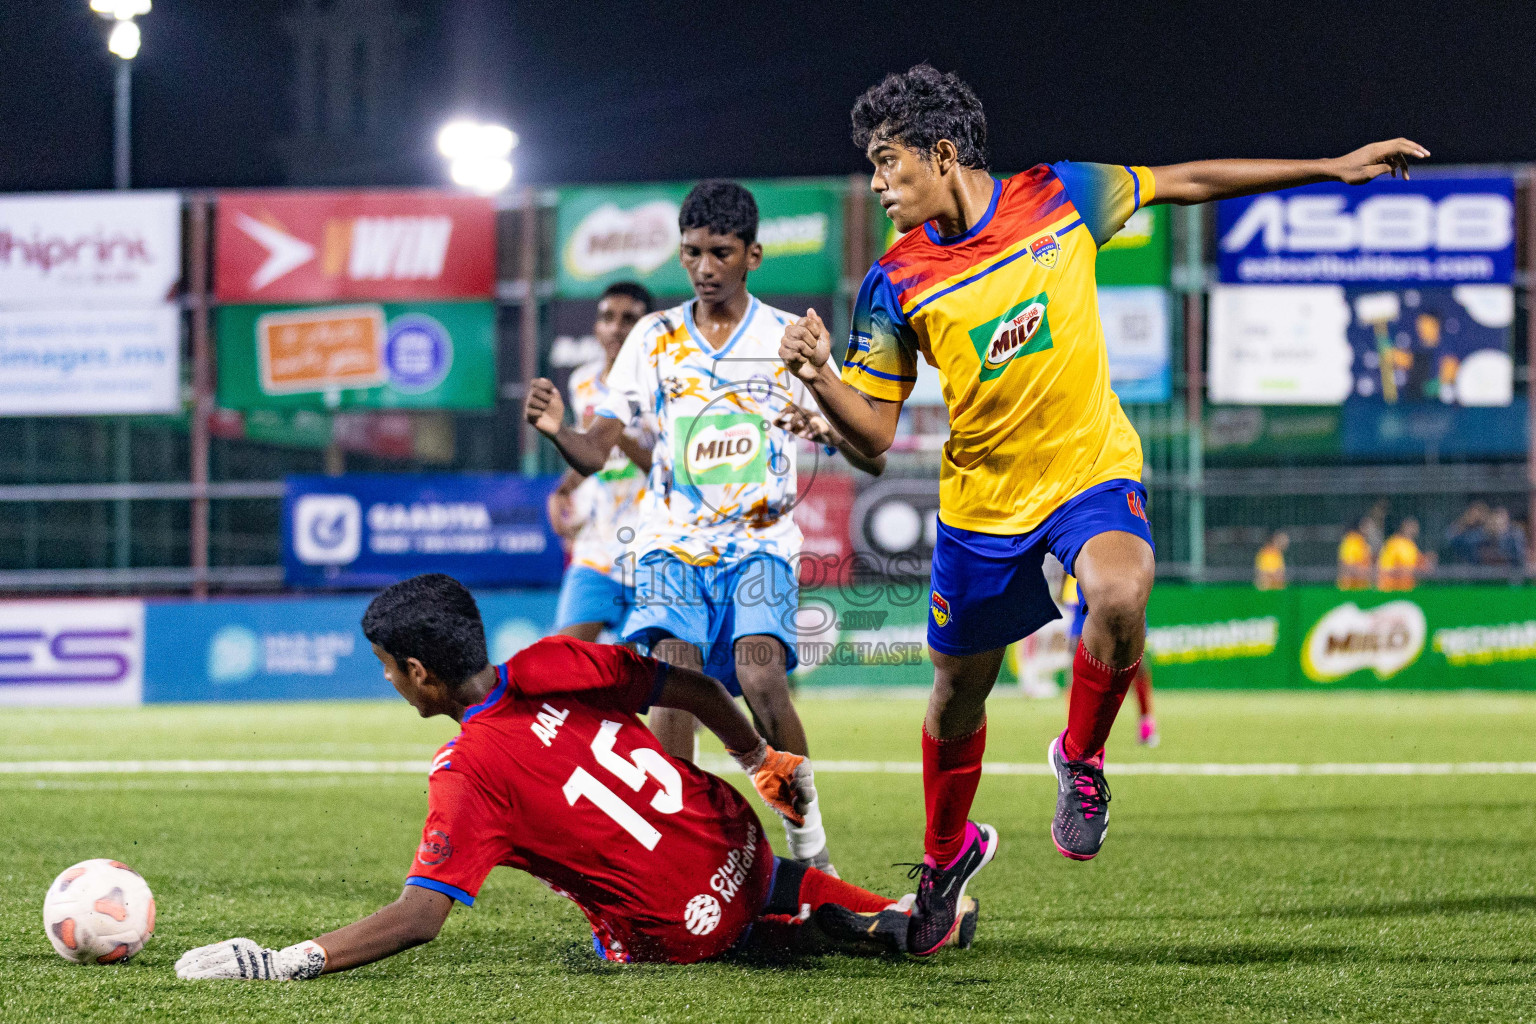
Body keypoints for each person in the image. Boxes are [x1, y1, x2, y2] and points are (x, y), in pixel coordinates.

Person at [778, 61, 1426, 953]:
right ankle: (942, 862)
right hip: (982, 505)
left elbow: (1187, 181)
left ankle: (1080, 757)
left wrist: (1329, 166)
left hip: (1090, 471)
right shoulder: (894, 283)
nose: (878, 184)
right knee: (954, 696)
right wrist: (819, 380)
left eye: (889, 164)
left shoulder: (1061, 195)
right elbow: (874, 438)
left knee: (1121, 592)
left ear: (941, 152)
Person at [174, 574, 972, 980]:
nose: (386, 681)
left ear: (419, 673)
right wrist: (757, 758)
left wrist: (287, 961)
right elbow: (692, 687)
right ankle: (871, 910)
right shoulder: (551, 660)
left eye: (386, 668)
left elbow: (419, 917)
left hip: (674, 933)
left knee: (672, 932)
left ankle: (791, 929)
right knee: (772, 887)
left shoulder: (466, 771)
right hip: (738, 842)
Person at [525, 181, 885, 875]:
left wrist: (823, 420)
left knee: (760, 677)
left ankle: (812, 855)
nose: (704, 267)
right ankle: (680, 857)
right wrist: (556, 432)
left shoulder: (790, 340)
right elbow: (598, 452)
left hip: (759, 544)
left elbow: (870, 454)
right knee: (674, 676)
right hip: (670, 544)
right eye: (691, 253)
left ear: (753, 254)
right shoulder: (654, 338)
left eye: (720, 252)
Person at [547, 282, 657, 642]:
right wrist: (564, 489)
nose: (615, 328)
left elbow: (664, 469)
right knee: (565, 657)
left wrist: (612, 427)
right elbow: (593, 457)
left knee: (649, 680)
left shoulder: (664, 384)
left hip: (653, 550)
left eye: (629, 319)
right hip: (596, 547)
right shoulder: (583, 383)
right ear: (595, 326)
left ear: (647, 327)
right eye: (607, 317)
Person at [1062, 574, 1156, 746]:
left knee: (1136, 659)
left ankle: (1146, 720)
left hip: (1120, 583)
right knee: (1076, 661)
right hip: (1083, 583)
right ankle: (1073, 730)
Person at [1378, 518, 1430, 590]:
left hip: (1408, 588)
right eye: (1411, 527)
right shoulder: (1393, 543)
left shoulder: (1411, 545)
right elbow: (1385, 567)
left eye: (1415, 528)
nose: (1414, 530)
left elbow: (1418, 563)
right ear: (1404, 527)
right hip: (1392, 588)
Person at [1337, 519, 1374, 590]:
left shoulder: (1363, 542)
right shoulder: (1351, 541)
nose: (1370, 529)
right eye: (1367, 525)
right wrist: (1368, 573)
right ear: (1360, 526)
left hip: (1362, 588)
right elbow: (1347, 567)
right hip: (1350, 589)